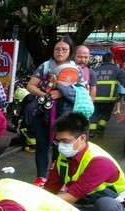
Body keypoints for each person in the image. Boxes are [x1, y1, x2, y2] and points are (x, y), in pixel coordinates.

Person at [43, 112, 125, 211]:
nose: (60, 146)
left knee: (106, 206)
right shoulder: (63, 158)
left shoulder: (99, 161)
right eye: (58, 141)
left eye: (65, 141)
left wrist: (38, 200)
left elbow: (72, 196)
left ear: (81, 139)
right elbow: (49, 191)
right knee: (55, 210)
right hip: (86, 206)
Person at [26, 36, 85, 187]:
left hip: (65, 115)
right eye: (57, 49)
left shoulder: (76, 69)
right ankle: (41, 178)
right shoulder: (45, 66)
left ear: (70, 51)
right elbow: (31, 86)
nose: (60, 52)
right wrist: (46, 95)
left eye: (64, 49)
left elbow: (80, 91)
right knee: (42, 145)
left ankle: (59, 178)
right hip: (42, 112)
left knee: (61, 147)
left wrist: (61, 93)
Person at [90, 52, 125, 137]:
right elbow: (124, 81)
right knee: (106, 113)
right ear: (112, 60)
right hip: (109, 98)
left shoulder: (95, 69)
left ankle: (92, 131)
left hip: (96, 97)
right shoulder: (117, 70)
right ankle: (100, 129)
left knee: (95, 113)